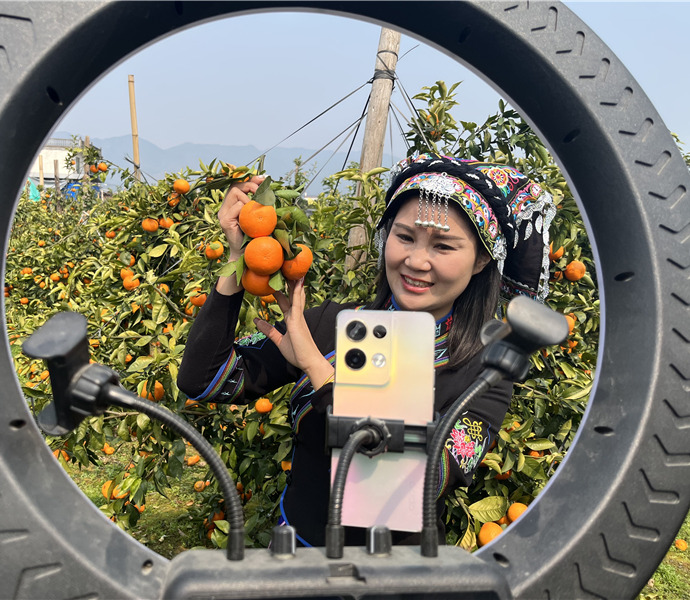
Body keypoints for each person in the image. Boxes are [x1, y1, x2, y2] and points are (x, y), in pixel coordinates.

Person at [177, 153, 556, 547]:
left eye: (443, 246)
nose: (415, 261)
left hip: (397, 577)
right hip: (297, 563)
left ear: (480, 260)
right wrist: (240, 260)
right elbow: (204, 381)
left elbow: (419, 480)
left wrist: (317, 370)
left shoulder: (486, 369)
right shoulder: (329, 325)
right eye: (405, 237)